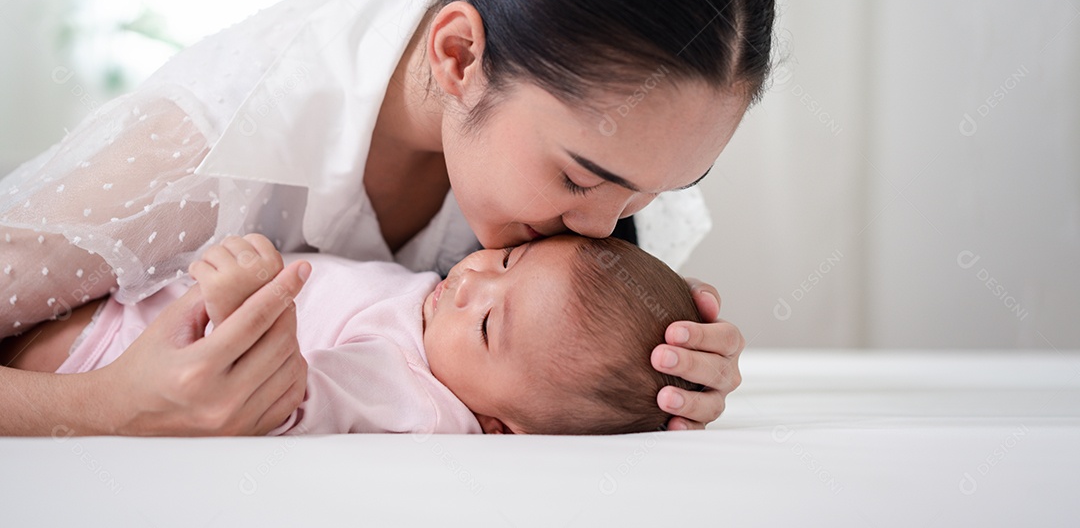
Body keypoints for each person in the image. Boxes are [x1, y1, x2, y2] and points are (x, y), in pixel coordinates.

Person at [0, 0, 772, 435]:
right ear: (460, 56)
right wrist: (97, 407)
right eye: (579, 178)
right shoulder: (204, 145)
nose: (604, 230)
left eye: (652, 193)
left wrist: (662, 376)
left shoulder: (603, 145)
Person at [2, 233, 704, 436]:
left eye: (489, 324)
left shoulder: (420, 399)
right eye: (508, 262)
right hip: (129, 306)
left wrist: (252, 306)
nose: (469, 283)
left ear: (499, 427)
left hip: (118, 352)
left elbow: (295, 399)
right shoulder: (436, 315)